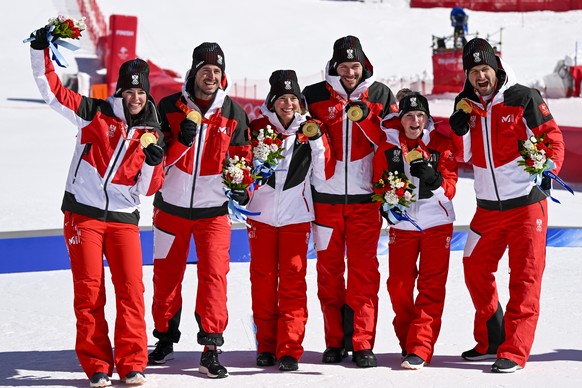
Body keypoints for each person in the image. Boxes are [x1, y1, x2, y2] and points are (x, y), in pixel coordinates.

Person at [29, 28, 164, 387]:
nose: (135, 97)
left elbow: (148, 189)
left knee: (132, 290)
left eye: (141, 92)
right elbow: (52, 91)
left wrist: (153, 162)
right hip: (83, 216)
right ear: (120, 90)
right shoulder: (94, 112)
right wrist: (41, 49)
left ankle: (132, 363)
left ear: (147, 94)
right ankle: (97, 364)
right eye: (129, 90)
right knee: (90, 291)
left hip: (123, 221)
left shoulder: (153, 131)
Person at [448, 38, 565, 373]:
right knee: (473, 266)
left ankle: (514, 351)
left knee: (525, 277)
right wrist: (458, 132)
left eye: (484, 69)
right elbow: (464, 155)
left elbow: (552, 138)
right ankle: (492, 339)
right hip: (487, 207)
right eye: (473, 72)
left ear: (496, 67)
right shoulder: (465, 104)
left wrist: (548, 171)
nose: (479, 77)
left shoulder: (523, 97)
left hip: (527, 204)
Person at [148, 42, 251, 379]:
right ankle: (164, 339)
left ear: (223, 76)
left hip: (213, 212)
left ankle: (211, 347)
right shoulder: (166, 106)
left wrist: (240, 183)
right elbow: (153, 160)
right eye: (205, 70)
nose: (211, 76)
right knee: (166, 277)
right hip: (170, 208)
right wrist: (179, 139)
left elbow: (243, 160)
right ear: (194, 72)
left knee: (214, 278)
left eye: (217, 71)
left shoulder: (233, 113)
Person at [302, 35, 398, 368]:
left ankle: (361, 343)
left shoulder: (381, 94)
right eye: (344, 66)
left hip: (364, 202)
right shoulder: (313, 95)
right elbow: (300, 141)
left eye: (355, 66)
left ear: (364, 65)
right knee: (328, 274)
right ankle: (333, 342)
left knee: (363, 274)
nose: (350, 72)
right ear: (335, 66)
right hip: (325, 202)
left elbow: (395, 140)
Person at [245, 70, 334, 372]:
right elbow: (242, 169)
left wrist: (319, 141)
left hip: (296, 217)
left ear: (299, 102)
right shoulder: (257, 127)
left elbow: (323, 175)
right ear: (272, 100)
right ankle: (266, 347)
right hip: (261, 217)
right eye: (282, 98)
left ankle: (290, 349)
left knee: (293, 283)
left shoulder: (310, 130)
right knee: (263, 282)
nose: (287, 103)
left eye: (292, 98)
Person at [374, 92, 458, 370]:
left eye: (420, 115)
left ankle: (420, 347)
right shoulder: (388, 145)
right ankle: (408, 338)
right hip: (404, 224)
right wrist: (386, 206)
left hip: (437, 222)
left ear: (427, 118)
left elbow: (451, 188)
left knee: (431, 286)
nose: (415, 120)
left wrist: (434, 180)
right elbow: (378, 181)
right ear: (401, 120)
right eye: (409, 116)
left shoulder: (440, 144)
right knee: (398, 285)